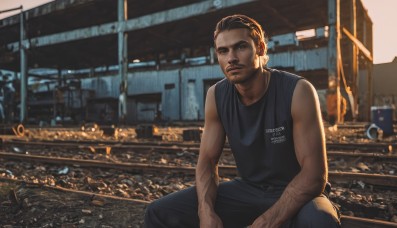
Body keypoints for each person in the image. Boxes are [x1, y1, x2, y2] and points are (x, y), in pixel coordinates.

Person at [145, 14, 340, 227]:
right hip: (248, 190)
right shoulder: (216, 95)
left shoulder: (297, 91)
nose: (231, 58)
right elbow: (207, 162)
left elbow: (314, 175)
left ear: (261, 49)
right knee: (159, 212)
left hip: (298, 192)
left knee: (321, 220)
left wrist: (267, 220)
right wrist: (205, 211)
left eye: (241, 47)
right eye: (223, 51)